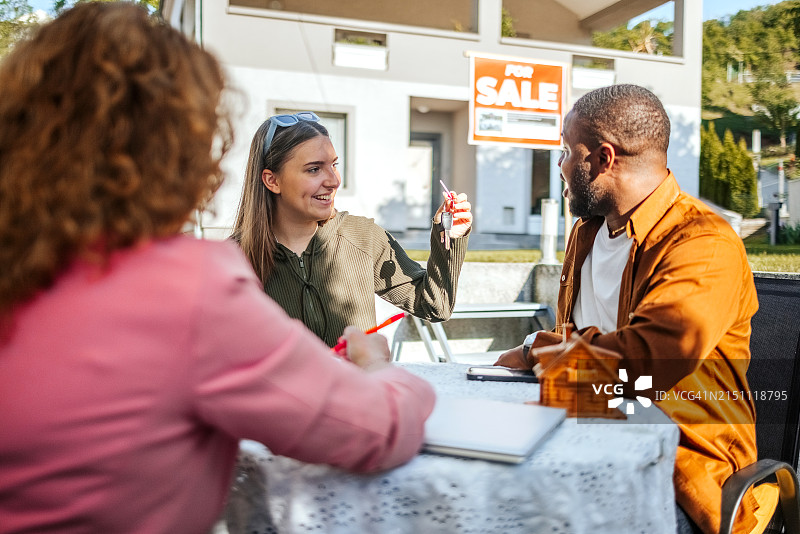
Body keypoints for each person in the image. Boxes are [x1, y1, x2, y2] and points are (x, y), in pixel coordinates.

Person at [0, 4, 434, 533]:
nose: (331, 181)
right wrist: (380, 370)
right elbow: (374, 429)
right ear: (180, 147)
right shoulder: (191, 286)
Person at [496, 84, 766, 534]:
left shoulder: (703, 242)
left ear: (603, 158)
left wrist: (540, 354)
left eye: (566, 152)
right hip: (593, 439)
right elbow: (590, 344)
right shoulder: (588, 234)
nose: (560, 166)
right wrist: (538, 354)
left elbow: (650, 356)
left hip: (679, 473)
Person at [231, 114, 473, 347]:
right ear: (272, 180)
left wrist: (448, 239)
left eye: (334, 165)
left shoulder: (364, 236)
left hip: (359, 390)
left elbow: (435, 305)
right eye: (314, 169)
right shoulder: (232, 259)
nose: (334, 180)